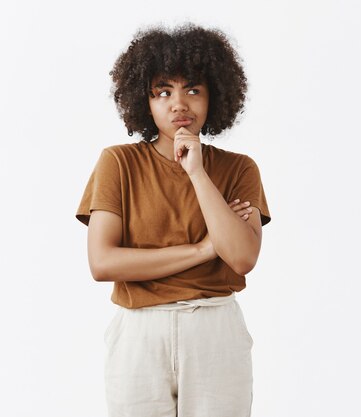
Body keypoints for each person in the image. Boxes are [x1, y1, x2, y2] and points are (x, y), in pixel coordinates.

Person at [75, 22, 271, 417]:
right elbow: (103, 263)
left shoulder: (238, 169)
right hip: (139, 330)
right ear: (144, 101)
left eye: (193, 90)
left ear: (214, 95)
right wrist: (204, 248)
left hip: (215, 328)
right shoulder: (119, 163)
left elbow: (243, 258)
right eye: (163, 92)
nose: (179, 104)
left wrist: (197, 172)